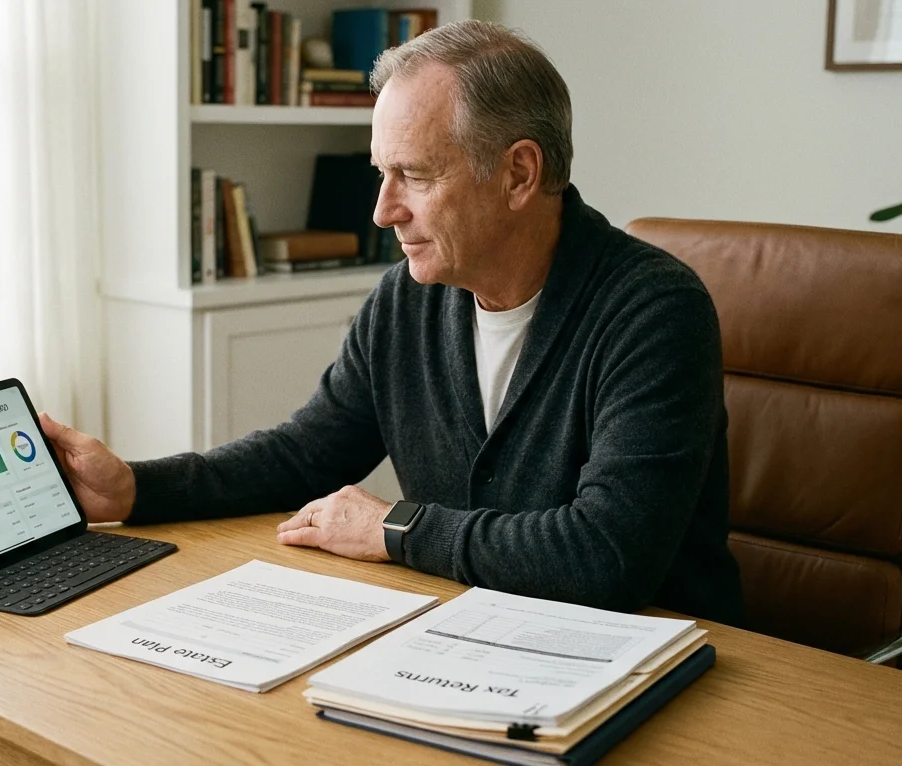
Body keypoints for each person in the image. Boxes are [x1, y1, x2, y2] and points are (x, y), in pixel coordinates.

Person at [40, 20, 743, 624]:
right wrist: (136, 487)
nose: (383, 211)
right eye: (382, 172)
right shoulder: (405, 302)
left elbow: (605, 556)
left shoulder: (653, 310)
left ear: (519, 174)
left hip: (657, 662)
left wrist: (396, 527)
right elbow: (302, 455)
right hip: (466, 633)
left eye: (415, 174)